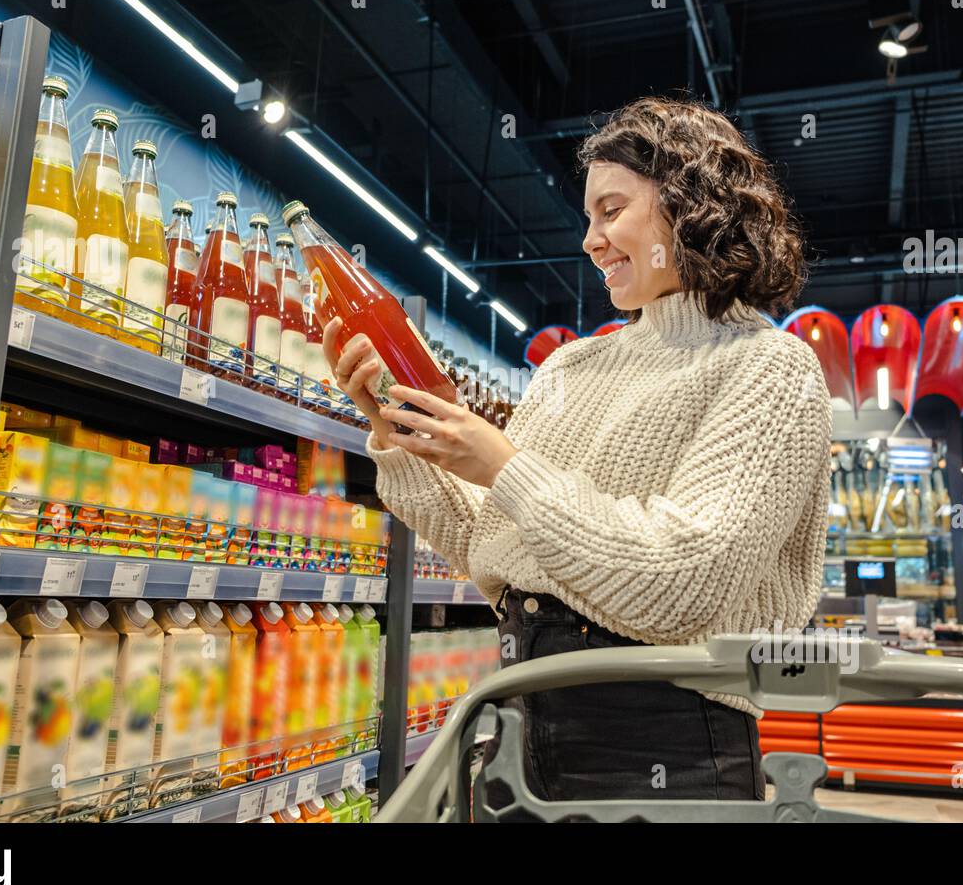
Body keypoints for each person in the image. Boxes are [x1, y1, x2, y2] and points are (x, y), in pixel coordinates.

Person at [323, 96, 831, 813]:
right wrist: (401, 432)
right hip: (513, 718)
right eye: (589, 217)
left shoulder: (768, 368)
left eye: (612, 210)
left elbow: (687, 580)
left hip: (661, 741)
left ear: (692, 205)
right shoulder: (570, 369)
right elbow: (486, 543)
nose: (591, 240)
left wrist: (504, 465)